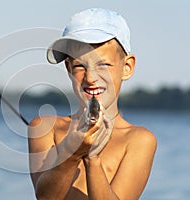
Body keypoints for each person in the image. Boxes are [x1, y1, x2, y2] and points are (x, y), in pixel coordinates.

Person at [28, 8, 157, 200]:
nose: (91, 78)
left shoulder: (139, 140)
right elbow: (45, 197)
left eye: (103, 65)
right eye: (80, 66)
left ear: (127, 67)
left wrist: (92, 158)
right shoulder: (45, 127)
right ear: (68, 68)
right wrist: (71, 152)